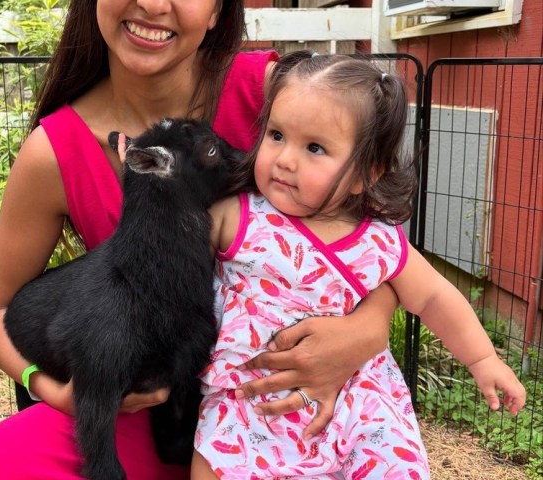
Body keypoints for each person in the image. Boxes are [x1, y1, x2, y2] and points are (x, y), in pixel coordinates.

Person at [0, 2, 400, 479]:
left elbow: (374, 245)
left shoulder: (279, 96)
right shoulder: (56, 151)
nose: (155, 4)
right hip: (148, 409)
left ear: (218, 9)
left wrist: (366, 331)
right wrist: (57, 392)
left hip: (291, 394)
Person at [190, 50, 527, 480]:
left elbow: (436, 297)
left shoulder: (378, 242)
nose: (285, 159)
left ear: (364, 173)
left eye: (314, 147)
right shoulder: (237, 216)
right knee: (210, 465)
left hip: (355, 407)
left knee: (394, 462)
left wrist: (482, 360)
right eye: (276, 134)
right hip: (250, 400)